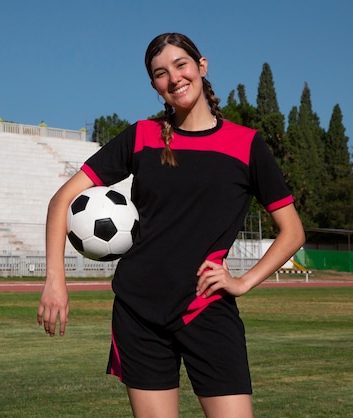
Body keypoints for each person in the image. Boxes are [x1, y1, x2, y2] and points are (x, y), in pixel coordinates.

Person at [38, 32, 305, 418]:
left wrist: (243, 282)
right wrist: (55, 281)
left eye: (181, 65)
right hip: (138, 312)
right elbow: (61, 200)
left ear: (201, 66)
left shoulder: (245, 144)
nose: (174, 78)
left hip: (206, 309)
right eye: (160, 73)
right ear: (154, 86)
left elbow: (292, 231)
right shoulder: (142, 137)